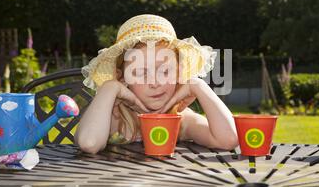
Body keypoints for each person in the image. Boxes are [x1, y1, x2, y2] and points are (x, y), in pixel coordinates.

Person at [75, 14, 238, 154]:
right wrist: (110, 87)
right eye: (140, 73)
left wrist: (198, 85)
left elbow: (228, 140)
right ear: (122, 78)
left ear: (179, 73)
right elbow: (89, 143)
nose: (155, 83)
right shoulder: (117, 118)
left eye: (165, 71)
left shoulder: (182, 120)